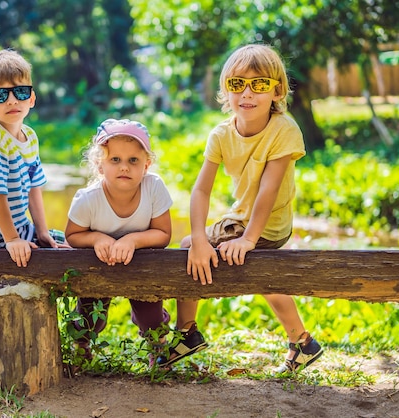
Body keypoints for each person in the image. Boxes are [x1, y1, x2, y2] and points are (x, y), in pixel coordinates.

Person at [160, 44, 323, 372]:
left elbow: (269, 189)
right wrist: (200, 234)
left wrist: (247, 239)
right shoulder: (221, 134)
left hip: (267, 223)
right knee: (222, 256)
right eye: (237, 85)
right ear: (226, 91)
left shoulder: (284, 129)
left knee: (190, 249)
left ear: (276, 91)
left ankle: (187, 332)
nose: (247, 94)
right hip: (243, 219)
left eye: (259, 85)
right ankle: (303, 342)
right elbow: (201, 189)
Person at [0, 49, 67, 360]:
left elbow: (35, 187)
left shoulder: (29, 137)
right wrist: (10, 239)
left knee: (62, 243)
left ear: (31, 98)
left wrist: (42, 231)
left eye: (20, 92)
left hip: (16, 220)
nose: (11, 101)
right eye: (0, 95)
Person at [65, 118, 172, 366]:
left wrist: (133, 239)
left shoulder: (153, 187)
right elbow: (72, 235)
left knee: (150, 313)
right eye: (115, 160)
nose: (124, 167)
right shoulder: (88, 199)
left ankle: (157, 345)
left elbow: (163, 234)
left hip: (142, 262)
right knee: (91, 313)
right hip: (99, 262)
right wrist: (96, 238)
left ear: (146, 164)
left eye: (133, 160)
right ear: (99, 165)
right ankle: (82, 344)